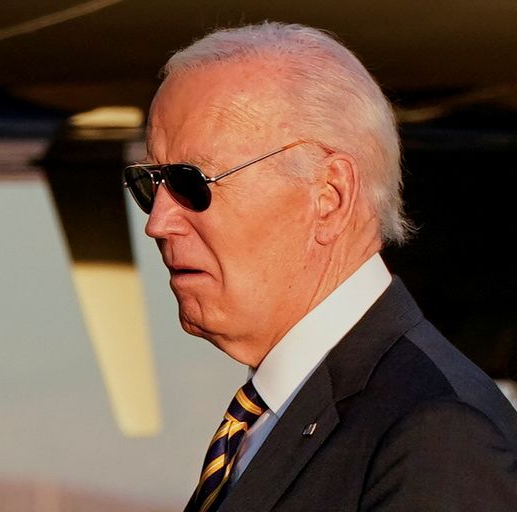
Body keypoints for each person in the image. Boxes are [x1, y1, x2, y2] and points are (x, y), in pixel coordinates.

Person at [122, 22, 517, 511]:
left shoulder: (438, 439)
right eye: (149, 184)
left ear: (329, 198)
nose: (158, 223)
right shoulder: (285, 418)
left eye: (190, 183)